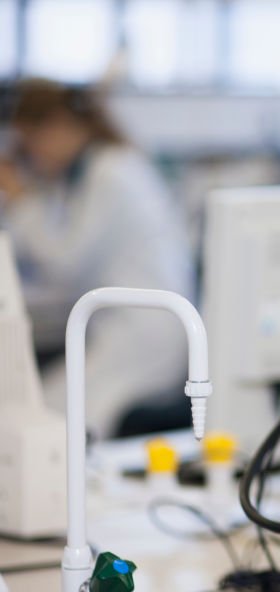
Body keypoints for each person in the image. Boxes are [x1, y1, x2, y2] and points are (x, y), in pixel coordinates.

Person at [0, 79, 194, 438]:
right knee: (48, 408)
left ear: (58, 126)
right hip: (120, 327)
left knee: (55, 416)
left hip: (143, 333)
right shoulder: (88, 173)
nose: (34, 158)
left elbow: (63, 261)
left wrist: (19, 197)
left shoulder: (113, 173)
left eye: (31, 144)